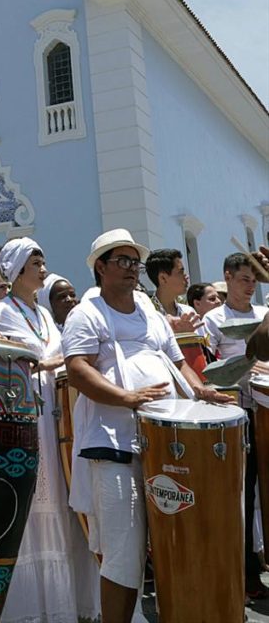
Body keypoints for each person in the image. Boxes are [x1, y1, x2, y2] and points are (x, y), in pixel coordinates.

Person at [62, 228, 232, 623]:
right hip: (115, 445)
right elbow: (76, 369)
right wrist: (126, 398)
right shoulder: (87, 313)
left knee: (178, 542)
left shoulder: (150, 312)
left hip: (167, 444)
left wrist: (202, 392)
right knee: (123, 553)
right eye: (122, 261)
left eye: (134, 261)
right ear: (100, 267)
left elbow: (177, 365)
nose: (131, 268)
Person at [0, 237, 101, 623]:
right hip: (31, 417)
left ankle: (73, 602)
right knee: (41, 507)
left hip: (60, 416)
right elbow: (25, 360)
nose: (43, 268)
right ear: (19, 269)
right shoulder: (4, 311)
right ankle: (38, 608)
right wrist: (66, 362)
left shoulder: (42, 314)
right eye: (36, 262)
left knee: (68, 505)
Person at [204, 252, 269, 601]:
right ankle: (245, 573)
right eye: (244, 279)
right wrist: (243, 370)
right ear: (227, 277)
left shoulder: (264, 315)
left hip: (267, 410)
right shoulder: (214, 319)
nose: (250, 285)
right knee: (242, 495)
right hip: (238, 416)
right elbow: (207, 366)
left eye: (254, 280)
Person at [144, 248, 201, 334]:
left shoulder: (189, 312)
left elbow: (204, 345)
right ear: (163, 278)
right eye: (180, 272)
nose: (186, 276)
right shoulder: (147, 314)